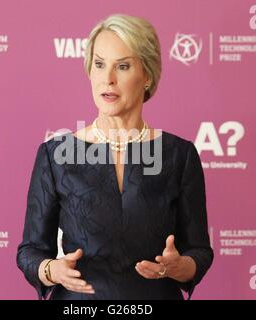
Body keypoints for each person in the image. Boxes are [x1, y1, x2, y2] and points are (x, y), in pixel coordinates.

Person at [16, 13, 213, 300]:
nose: (107, 79)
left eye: (122, 66)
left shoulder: (179, 156)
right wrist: (51, 270)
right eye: (99, 64)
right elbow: (30, 251)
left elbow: (199, 252)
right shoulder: (55, 155)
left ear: (147, 75)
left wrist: (179, 266)